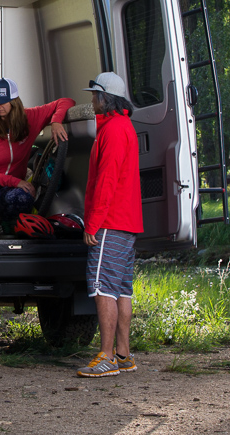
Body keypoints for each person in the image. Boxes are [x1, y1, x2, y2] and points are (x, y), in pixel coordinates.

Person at [77, 72, 143, 378]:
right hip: (126, 223)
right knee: (121, 290)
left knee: (103, 287)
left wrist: (93, 223)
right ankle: (123, 355)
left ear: (107, 98)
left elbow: (106, 181)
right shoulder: (122, 126)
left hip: (111, 223)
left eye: (94, 95)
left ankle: (106, 357)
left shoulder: (114, 130)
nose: (91, 101)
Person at [0, 77, 74, 236]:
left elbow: (66, 101)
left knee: (25, 195)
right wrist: (16, 181)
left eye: (3, 102)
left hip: (7, 190)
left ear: (14, 101)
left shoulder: (30, 118)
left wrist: (56, 121)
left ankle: (7, 222)